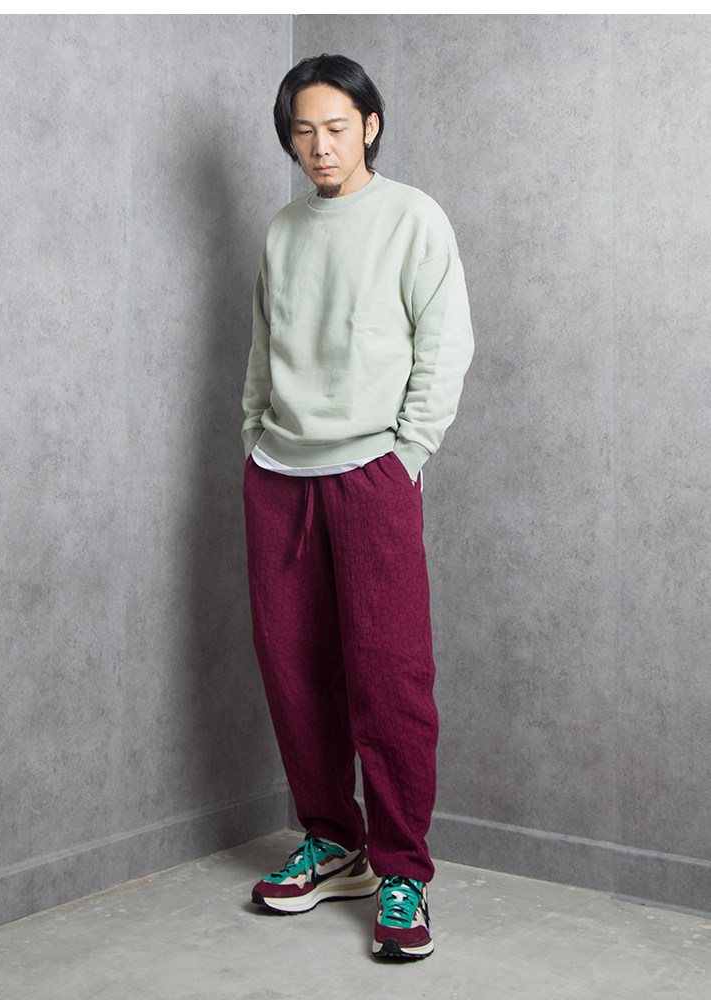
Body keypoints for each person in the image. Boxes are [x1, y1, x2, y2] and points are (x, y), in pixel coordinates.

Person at [241, 53, 474, 960]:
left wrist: (405, 456)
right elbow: (263, 347)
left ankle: (403, 869)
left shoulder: (413, 218)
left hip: (372, 472)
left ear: (370, 126)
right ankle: (333, 841)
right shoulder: (282, 230)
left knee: (389, 674)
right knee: (293, 667)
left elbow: (445, 344)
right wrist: (253, 437)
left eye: (336, 127)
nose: (320, 146)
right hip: (279, 473)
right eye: (303, 131)